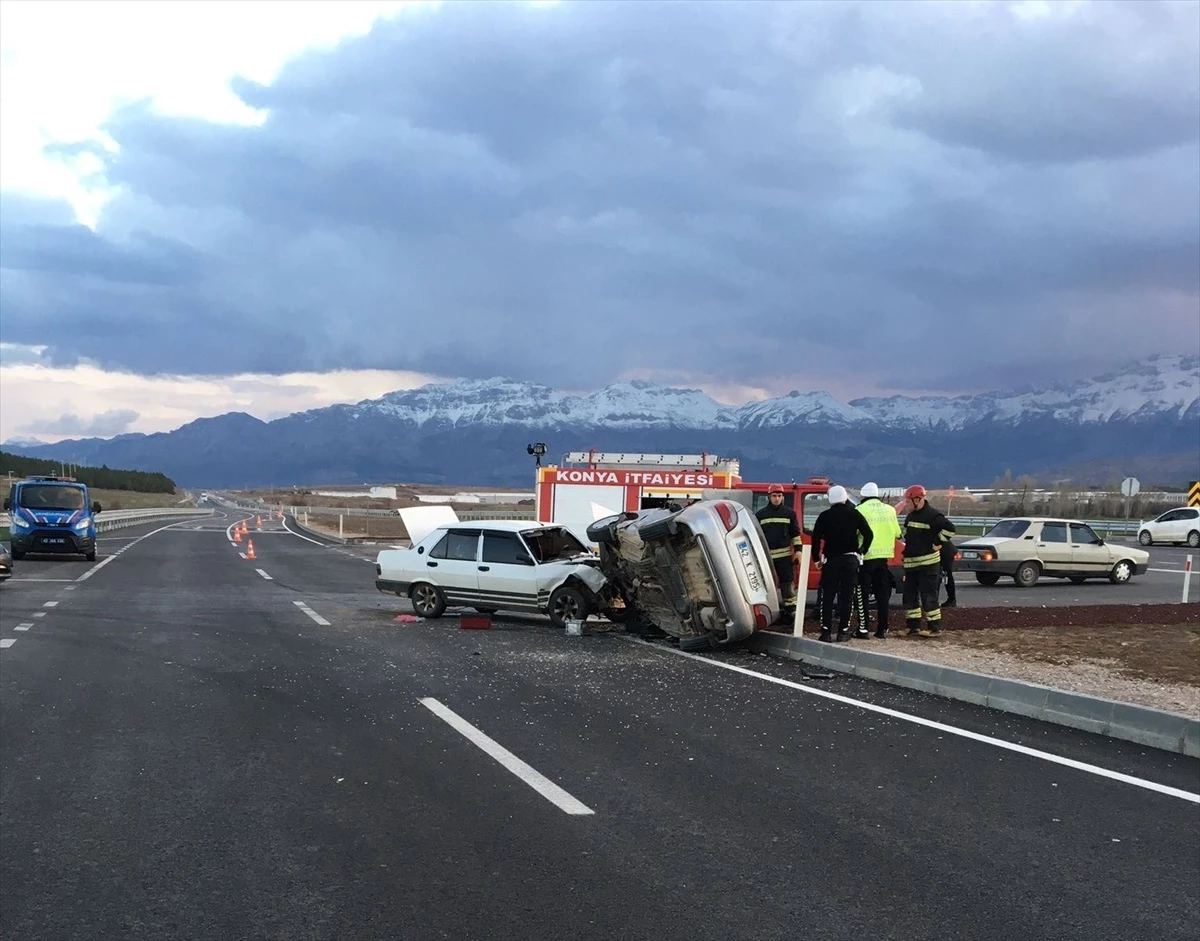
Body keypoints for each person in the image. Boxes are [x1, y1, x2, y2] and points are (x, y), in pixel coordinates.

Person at [811, 484, 874, 642]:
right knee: (847, 596)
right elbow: (869, 534)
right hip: (850, 560)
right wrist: (862, 551)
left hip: (831, 560)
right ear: (845, 498)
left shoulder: (824, 516)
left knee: (827, 596)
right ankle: (842, 632)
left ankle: (825, 631)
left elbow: (815, 539)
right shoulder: (854, 514)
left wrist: (816, 560)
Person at [900, 484, 956, 637]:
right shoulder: (911, 517)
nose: (906, 504)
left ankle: (934, 628)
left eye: (908, 501)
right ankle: (913, 627)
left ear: (918, 500)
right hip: (911, 565)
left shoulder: (933, 515)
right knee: (910, 596)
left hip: (928, 564)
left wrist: (937, 542)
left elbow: (950, 529)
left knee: (928, 596)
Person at [855, 481, 904, 638]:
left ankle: (863, 628)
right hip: (883, 559)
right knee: (882, 595)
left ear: (863, 495)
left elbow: (854, 533)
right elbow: (897, 533)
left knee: (862, 595)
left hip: (865, 558)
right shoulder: (890, 510)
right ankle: (883, 628)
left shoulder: (859, 510)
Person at [756, 484, 803, 620]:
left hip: (785, 557)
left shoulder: (789, 513)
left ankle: (791, 612)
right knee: (767, 586)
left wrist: (798, 551)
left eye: (779, 496)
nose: (777, 499)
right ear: (769, 497)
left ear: (782, 497)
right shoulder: (760, 515)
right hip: (766, 558)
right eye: (774, 496)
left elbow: (795, 534)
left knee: (787, 584)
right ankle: (768, 612)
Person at [941, 538, 957, 607]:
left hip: (945, 552)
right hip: (947, 550)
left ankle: (952, 599)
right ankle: (951, 599)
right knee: (946, 575)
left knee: (946, 575)